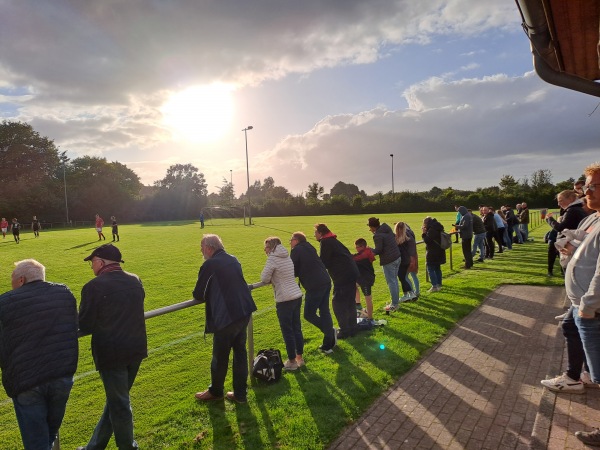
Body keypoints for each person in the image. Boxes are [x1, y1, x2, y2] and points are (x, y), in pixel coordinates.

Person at [0, 259, 78, 450]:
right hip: (61, 375)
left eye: (12, 278)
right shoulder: (64, 293)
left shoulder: (5, 301)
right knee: (48, 435)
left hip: (26, 380)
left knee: (37, 441)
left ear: (21, 280)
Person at [78, 244, 147, 450]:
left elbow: (85, 324)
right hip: (135, 348)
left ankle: (127, 446)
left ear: (100, 262)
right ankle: (95, 446)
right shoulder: (135, 280)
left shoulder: (93, 286)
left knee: (119, 404)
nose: (92, 267)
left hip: (112, 354)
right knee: (117, 401)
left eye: (92, 263)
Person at [562, 162, 600, 445]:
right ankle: (580, 375)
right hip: (584, 308)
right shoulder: (595, 218)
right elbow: (584, 251)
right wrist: (567, 250)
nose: (585, 191)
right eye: (585, 186)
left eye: (592, 186)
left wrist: (587, 305)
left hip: (592, 312)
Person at [192, 234, 257, 403]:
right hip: (244, 311)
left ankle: (216, 391)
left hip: (227, 317)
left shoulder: (210, 264)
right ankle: (240, 395)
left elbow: (198, 294)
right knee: (240, 353)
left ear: (209, 247)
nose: (201, 250)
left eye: (202, 247)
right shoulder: (233, 259)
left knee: (220, 357)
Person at [251, 237, 304, 371]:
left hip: (285, 299)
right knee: (296, 327)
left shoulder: (273, 258)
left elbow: (264, 278)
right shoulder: (286, 256)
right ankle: (299, 358)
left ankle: (292, 361)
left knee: (288, 331)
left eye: (267, 247)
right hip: (296, 295)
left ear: (273, 247)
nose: (265, 250)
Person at [290, 231, 336, 354]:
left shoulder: (296, 250)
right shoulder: (309, 246)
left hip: (315, 285)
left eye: (291, 239)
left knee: (308, 314)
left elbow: (292, 270)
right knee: (324, 311)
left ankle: (330, 333)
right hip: (325, 281)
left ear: (297, 240)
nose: (290, 242)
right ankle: (328, 342)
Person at [315, 223, 359, 338]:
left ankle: (344, 331)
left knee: (338, 303)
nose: (314, 235)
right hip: (351, 273)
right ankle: (352, 329)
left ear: (320, 233)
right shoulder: (333, 240)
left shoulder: (325, 242)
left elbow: (324, 262)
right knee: (350, 302)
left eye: (315, 232)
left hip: (343, 276)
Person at [545, 189, 589, 276]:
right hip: (575, 245)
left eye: (561, 200)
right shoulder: (578, 209)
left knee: (570, 275)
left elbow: (561, 228)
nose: (558, 204)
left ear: (571, 199)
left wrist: (549, 219)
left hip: (571, 246)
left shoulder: (572, 210)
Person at [367, 217, 402, 309]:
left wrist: (369, 249)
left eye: (370, 228)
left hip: (389, 260)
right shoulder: (387, 229)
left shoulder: (377, 235)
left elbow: (378, 250)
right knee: (394, 280)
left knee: (391, 282)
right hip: (397, 257)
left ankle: (394, 304)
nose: (369, 230)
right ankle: (396, 302)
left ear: (373, 227)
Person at [421, 216, 446, 292]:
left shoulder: (431, 230)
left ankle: (434, 286)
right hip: (439, 251)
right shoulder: (438, 227)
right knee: (437, 268)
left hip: (432, 252)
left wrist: (424, 233)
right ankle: (439, 284)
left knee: (430, 268)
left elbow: (427, 240)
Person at [395, 222, 418, 301]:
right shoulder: (407, 236)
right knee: (403, 277)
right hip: (407, 259)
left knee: (402, 277)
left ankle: (410, 293)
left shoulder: (398, 238)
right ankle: (408, 294)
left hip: (402, 260)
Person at [353, 238, 376, 319]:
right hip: (362, 278)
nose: (356, 249)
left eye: (357, 247)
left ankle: (370, 318)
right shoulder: (366, 252)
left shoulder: (363, 255)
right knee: (353, 285)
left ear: (362, 246)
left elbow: (353, 258)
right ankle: (358, 305)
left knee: (368, 298)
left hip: (366, 279)